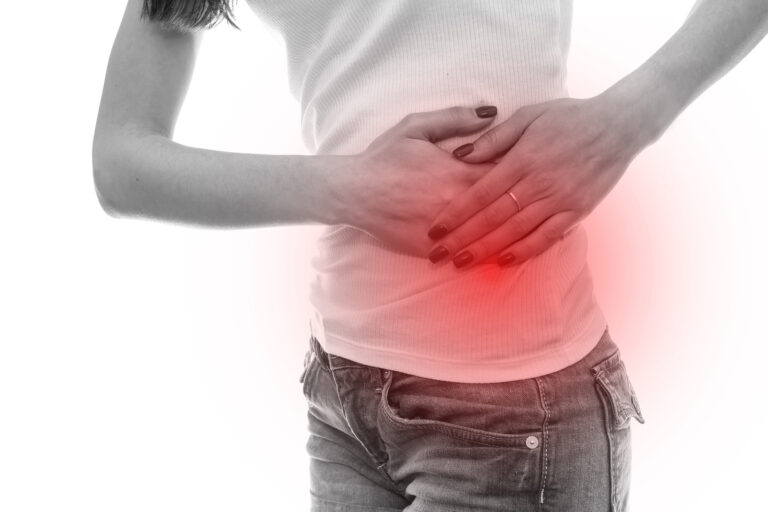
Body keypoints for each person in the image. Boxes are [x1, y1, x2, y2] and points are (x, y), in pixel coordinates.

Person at [92, 0, 768, 510]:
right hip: (343, 392)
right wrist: (347, 187)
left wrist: (635, 113)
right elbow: (122, 161)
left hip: (514, 414)